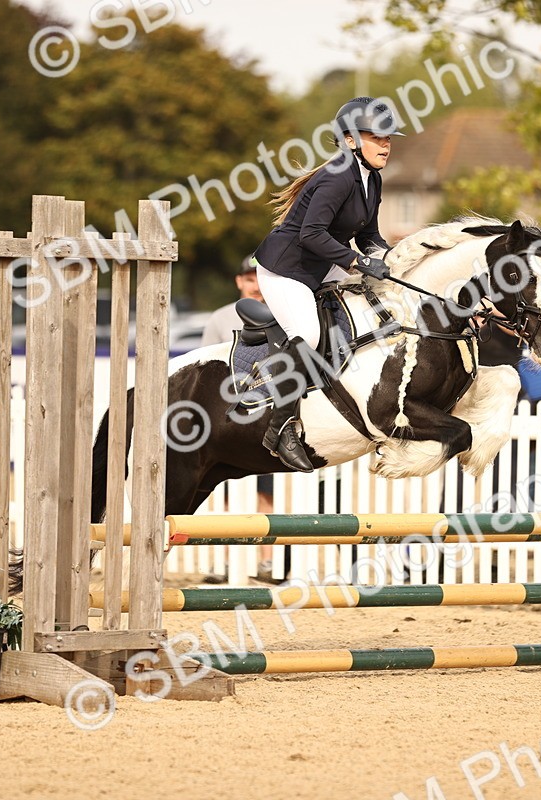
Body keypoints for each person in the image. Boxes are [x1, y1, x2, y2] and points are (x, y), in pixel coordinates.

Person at [252, 96, 402, 472]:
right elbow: (310, 234)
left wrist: (392, 258)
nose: (386, 144)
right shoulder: (337, 176)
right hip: (287, 268)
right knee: (307, 332)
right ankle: (280, 427)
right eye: (377, 137)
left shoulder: (372, 179)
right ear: (351, 140)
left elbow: (368, 234)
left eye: (388, 138)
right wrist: (357, 261)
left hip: (320, 265)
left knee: (381, 297)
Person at [201, 257, 277, 583]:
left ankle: (267, 563)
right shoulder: (220, 318)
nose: (255, 284)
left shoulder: (280, 312)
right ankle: (227, 562)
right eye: (249, 278)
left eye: (259, 278)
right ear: (238, 281)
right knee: (227, 493)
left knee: (267, 492)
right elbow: (204, 364)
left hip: (268, 409)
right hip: (230, 411)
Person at [200, 257, 265, 348]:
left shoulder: (281, 317)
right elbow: (205, 359)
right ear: (239, 282)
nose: (256, 288)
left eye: (261, 280)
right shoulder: (219, 319)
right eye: (250, 280)